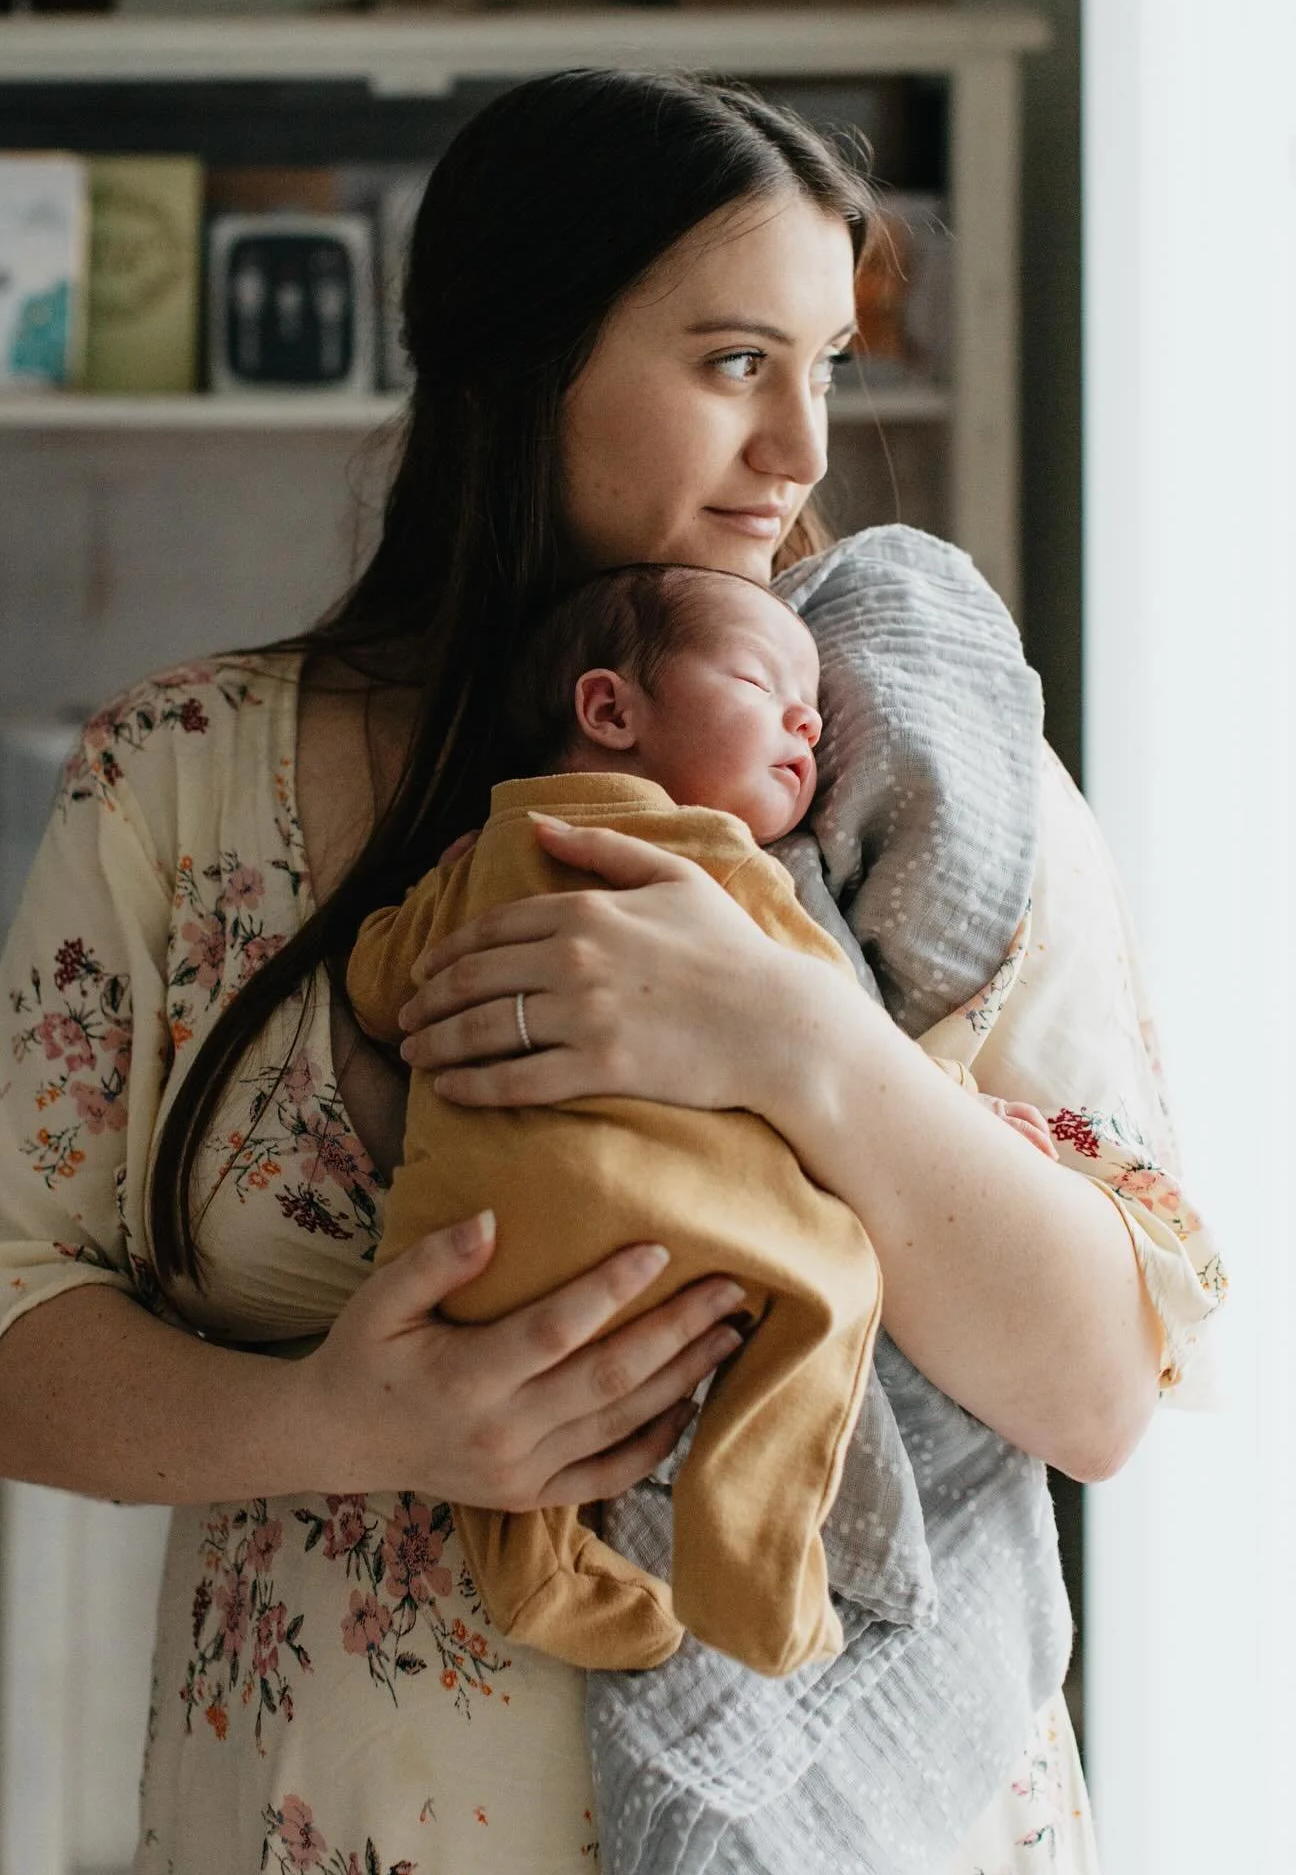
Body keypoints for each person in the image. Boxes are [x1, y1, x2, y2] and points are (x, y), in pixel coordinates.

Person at [0, 69, 1222, 1873]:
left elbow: (1098, 1393)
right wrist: (335, 1419)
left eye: (827, 364)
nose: (805, 449)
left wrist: (797, 1038)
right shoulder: (183, 779)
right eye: (736, 362)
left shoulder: (923, 773)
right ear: (524, 364)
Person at [347, 557, 1055, 1681]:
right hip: (680, 1231)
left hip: (472, 1247)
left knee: (486, 1405)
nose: (807, 719)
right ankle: (747, 1555)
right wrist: (957, 1108)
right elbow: (835, 1017)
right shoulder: (723, 864)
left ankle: (530, 1568)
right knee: (832, 1285)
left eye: (809, 703)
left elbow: (379, 988)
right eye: (761, 682)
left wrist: (429, 906)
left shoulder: (488, 852)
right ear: (609, 709)